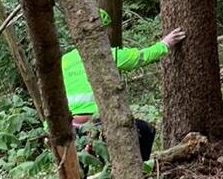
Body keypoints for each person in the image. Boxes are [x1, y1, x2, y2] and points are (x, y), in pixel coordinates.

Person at [61, 10, 185, 161]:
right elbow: (140, 57)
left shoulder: (65, 60)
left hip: (70, 126)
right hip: (99, 123)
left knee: (78, 167)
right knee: (146, 131)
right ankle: (139, 171)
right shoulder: (106, 55)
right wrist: (165, 44)